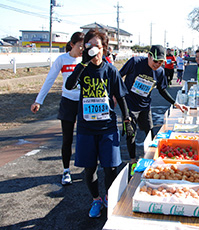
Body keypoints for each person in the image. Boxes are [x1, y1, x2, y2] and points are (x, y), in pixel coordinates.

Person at [65, 28, 132, 218]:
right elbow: (69, 85)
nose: (94, 49)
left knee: (110, 167)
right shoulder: (82, 69)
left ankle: (108, 197)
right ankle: (96, 200)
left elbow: (121, 95)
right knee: (89, 168)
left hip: (107, 127)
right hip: (86, 127)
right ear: (85, 48)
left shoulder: (110, 70)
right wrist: (82, 64)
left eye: (97, 46)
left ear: (104, 49)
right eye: (90, 45)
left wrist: (127, 119)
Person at [119, 45, 187, 172]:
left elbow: (162, 89)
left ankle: (151, 158)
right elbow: (119, 76)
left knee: (149, 131)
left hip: (145, 105)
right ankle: (133, 161)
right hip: (130, 105)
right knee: (130, 133)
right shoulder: (135, 62)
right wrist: (117, 95)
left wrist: (175, 103)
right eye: (155, 61)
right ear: (149, 56)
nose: (157, 64)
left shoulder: (160, 71)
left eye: (161, 62)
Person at [30, 31, 84, 186]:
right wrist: (38, 101)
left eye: (84, 46)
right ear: (72, 45)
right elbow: (49, 79)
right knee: (67, 139)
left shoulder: (85, 60)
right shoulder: (62, 59)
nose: (82, 50)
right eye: (80, 46)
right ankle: (66, 171)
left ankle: (87, 169)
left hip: (83, 102)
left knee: (85, 137)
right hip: (67, 102)